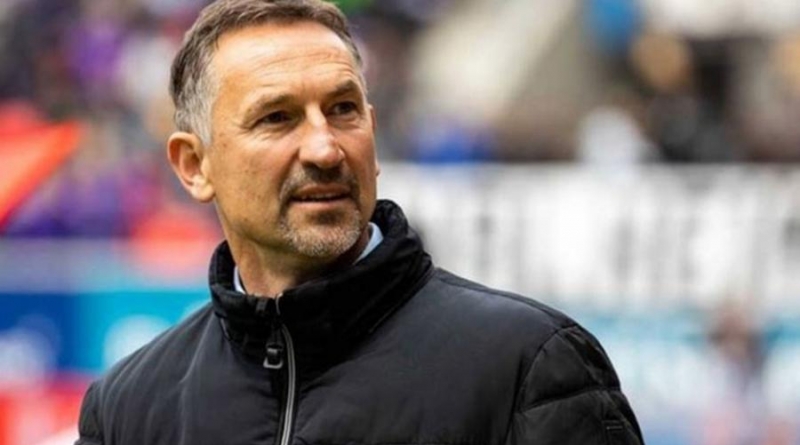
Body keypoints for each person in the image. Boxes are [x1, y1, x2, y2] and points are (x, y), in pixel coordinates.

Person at [75, 1, 643, 444]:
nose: (325, 148)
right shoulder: (128, 408)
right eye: (277, 118)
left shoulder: (528, 365)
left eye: (343, 109)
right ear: (195, 166)